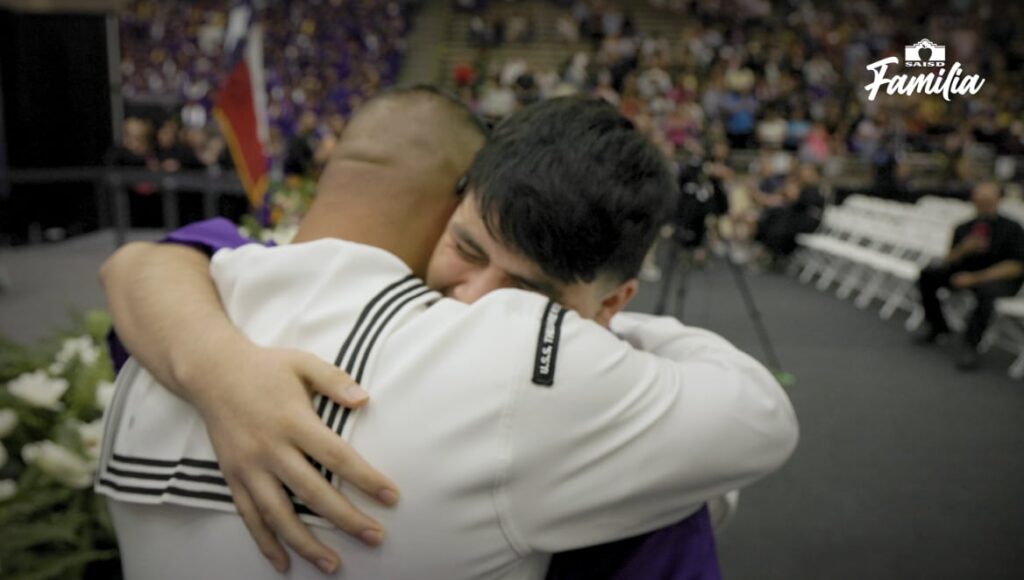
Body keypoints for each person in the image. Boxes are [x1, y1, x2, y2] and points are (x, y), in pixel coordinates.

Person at [99, 92, 797, 578]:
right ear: (449, 203)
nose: (480, 303)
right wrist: (222, 370)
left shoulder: (220, 283)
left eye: (529, 296)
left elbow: (141, 263)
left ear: (612, 299)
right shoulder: (561, 387)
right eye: (465, 248)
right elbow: (758, 414)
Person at [914, 181, 1024, 370]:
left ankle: (970, 345)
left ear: (999, 200)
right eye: (979, 198)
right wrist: (963, 249)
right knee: (928, 275)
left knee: (986, 293)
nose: (983, 203)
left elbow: (1015, 266)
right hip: (966, 273)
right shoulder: (964, 227)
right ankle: (938, 326)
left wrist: (976, 278)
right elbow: (949, 259)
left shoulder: (1012, 229)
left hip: (996, 279)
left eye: (988, 199)